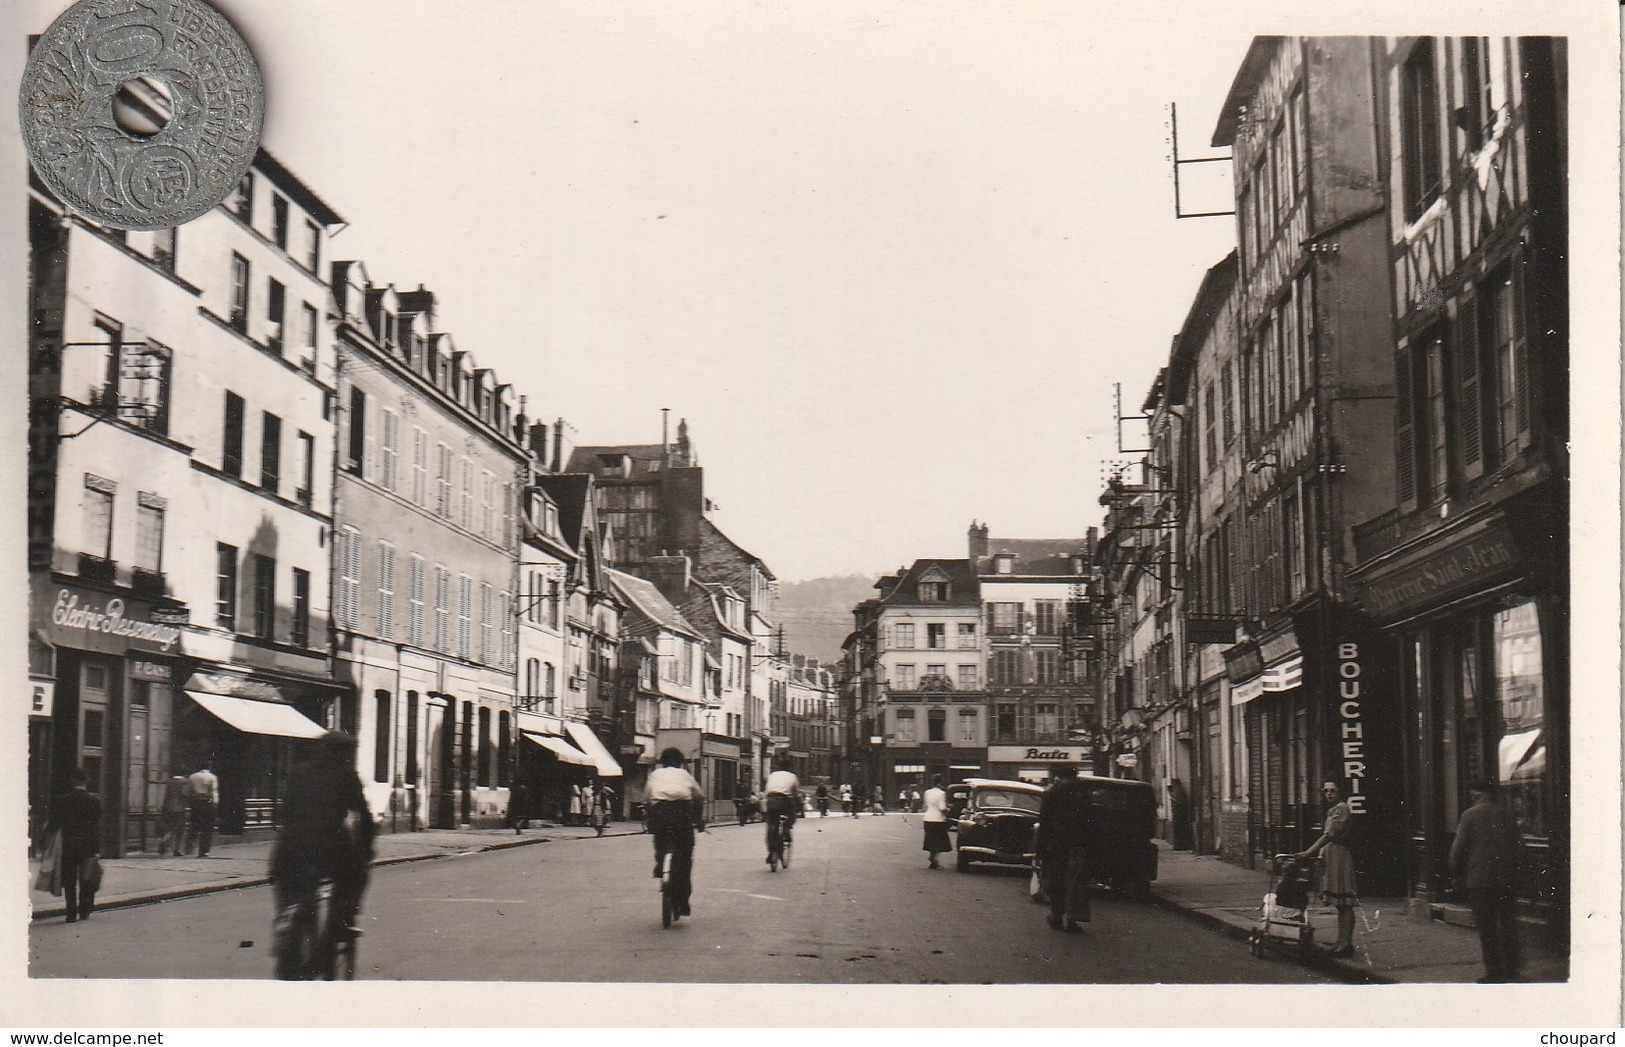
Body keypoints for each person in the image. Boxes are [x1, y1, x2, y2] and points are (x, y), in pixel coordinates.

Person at [269, 731, 376, 979]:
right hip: (330, 845)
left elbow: (283, 812)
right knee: (356, 875)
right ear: (344, 754)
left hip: (290, 847)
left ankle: (286, 922)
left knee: (289, 891)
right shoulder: (347, 776)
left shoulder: (298, 772)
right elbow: (364, 817)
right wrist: (367, 848)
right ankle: (343, 920)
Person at [1449, 781, 1525, 983]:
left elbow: (1458, 849)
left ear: (1476, 795)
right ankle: (1512, 969)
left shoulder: (1469, 815)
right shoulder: (1507, 814)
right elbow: (1520, 846)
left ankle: (1494, 972)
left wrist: (1455, 873)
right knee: (1508, 924)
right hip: (1506, 878)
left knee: (1487, 928)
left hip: (1479, 880)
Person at [1297, 780, 1358, 957]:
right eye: (1326, 791)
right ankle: (1341, 941)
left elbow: (1329, 835)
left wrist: (1308, 853)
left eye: (1333, 790)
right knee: (1340, 904)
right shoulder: (1333, 809)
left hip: (1340, 857)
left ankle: (1346, 943)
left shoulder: (1341, 808)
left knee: (1345, 903)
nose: (1329, 794)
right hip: (1333, 857)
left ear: (1340, 792)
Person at [646, 748, 706, 917]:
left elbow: (647, 798)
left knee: (660, 842)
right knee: (685, 858)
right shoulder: (685, 775)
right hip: (682, 813)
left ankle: (660, 863)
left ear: (662, 761)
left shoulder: (655, 775)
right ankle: (683, 901)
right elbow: (699, 796)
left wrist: (650, 819)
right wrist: (698, 819)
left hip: (661, 812)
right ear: (680, 762)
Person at [1036, 764, 1093, 932]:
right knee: (1076, 882)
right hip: (1078, 845)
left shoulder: (1051, 794)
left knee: (1056, 880)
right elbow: (1090, 822)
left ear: (1058, 776)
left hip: (1055, 845)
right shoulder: (1082, 794)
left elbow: (1044, 823)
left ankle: (1056, 916)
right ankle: (1073, 919)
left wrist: (1040, 849)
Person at [46, 768, 103, 923]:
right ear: (87, 781)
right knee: (86, 879)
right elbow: (96, 828)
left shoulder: (62, 800)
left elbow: (54, 825)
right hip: (87, 846)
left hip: (68, 845)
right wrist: (97, 849)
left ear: (73, 781)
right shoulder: (94, 801)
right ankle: (84, 911)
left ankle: (71, 913)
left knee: (69, 880)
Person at [762, 760, 802, 865]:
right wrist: (799, 807)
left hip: (770, 799)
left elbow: (766, 789)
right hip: (784, 800)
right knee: (792, 815)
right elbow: (796, 794)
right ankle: (785, 829)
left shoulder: (772, 775)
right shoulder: (792, 777)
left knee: (771, 823)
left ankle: (772, 851)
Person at [185, 764, 219, 857]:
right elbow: (213, 792)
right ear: (209, 768)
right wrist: (214, 804)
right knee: (207, 828)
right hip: (207, 802)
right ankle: (204, 851)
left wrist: (190, 801)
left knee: (194, 825)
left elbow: (189, 791)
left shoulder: (193, 776)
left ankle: (189, 848)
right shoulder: (212, 777)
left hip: (195, 802)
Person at [920, 776, 952, 869]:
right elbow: (942, 808)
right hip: (938, 819)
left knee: (930, 840)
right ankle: (934, 859)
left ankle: (933, 860)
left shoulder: (927, 792)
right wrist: (948, 811)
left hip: (928, 818)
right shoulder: (942, 793)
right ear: (940, 783)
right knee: (940, 841)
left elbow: (925, 806)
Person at [156, 773, 189, 856]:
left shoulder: (169, 781)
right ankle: (174, 848)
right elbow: (185, 794)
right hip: (180, 808)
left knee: (169, 827)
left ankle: (165, 843)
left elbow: (166, 796)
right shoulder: (184, 782)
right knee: (179, 829)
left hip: (168, 808)